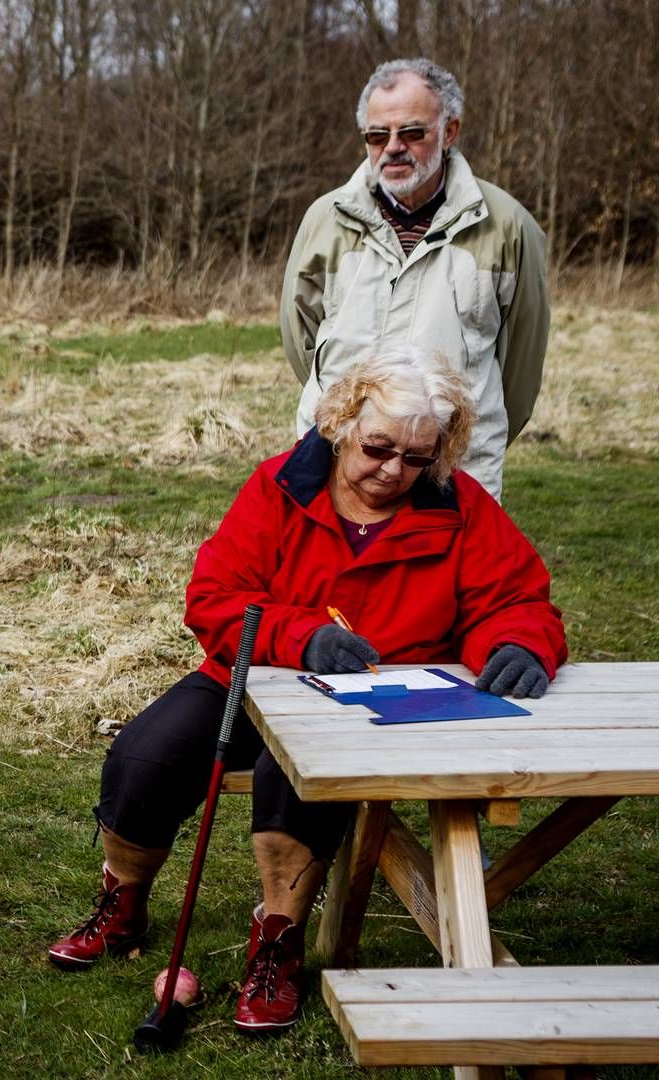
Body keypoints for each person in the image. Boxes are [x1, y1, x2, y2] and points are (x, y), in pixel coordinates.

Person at [46, 346, 565, 1034]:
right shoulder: (280, 487)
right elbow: (215, 597)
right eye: (378, 448)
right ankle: (123, 902)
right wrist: (301, 635)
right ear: (343, 423)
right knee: (147, 754)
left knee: (294, 778)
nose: (393, 471)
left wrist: (520, 643)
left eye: (416, 458)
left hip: (382, 700)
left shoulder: (458, 505)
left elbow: (516, 597)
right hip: (258, 673)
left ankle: (278, 942)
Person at [281, 58, 549, 502]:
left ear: (449, 132)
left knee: (448, 574)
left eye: (411, 132)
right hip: (339, 462)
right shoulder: (324, 220)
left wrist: (462, 433)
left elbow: (520, 370)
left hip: (454, 471)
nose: (392, 148)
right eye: (376, 135)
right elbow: (301, 341)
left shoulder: (508, 226)